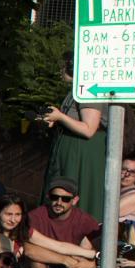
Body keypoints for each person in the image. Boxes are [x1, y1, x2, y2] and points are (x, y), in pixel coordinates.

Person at [38, 84, 109, 219]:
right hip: (70, 149)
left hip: (81, 153)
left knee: (73, 192)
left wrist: (60, 117)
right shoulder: (79, 88)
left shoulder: (90, 89)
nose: (62, 70)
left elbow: (88, 129)